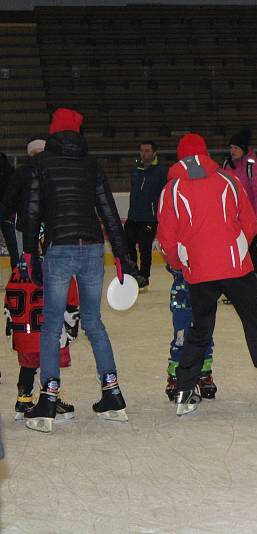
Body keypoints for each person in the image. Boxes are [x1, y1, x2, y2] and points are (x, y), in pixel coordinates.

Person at [157, 133, 257, 416]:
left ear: (180, 158)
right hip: (236, 268)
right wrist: (238, 249)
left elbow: (167, 239)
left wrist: (182, 263)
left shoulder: (171, 189)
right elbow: (250, 224)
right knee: (256, 324)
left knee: (200, 330)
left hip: (200, 271)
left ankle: (183, 389)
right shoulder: (228, 181)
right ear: (206, 154)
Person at [22, 108, 138, 433]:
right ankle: (112, 394)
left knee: (51, 325)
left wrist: (29, 253)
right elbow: (109, 212)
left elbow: (31, 212)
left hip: (59, 248)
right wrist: (121, 254)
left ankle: (47, 400)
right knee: (93, 322)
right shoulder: (91, 165)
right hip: (91, 248)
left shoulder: (40, 165)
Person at [7, 266, 80, 421]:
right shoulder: (60, 268)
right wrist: (71, 330)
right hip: (49, 332)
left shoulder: (17, 271)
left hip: (24, 332)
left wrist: (13, 332)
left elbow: (8, 303)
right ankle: (51, 399)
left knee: (28, 364)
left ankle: (23, 400)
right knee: (50, 364)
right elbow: (71, 303)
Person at [223, 128, 257, 299]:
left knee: (250, 252)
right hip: (231, 218)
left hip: (248, 218)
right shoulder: (227, 165)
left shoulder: (252, 166)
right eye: (230, 147)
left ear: (243, 148)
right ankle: (234, 290)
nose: (232, 151)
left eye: (235, 148)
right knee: (232, 253)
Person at [164, 265, 216, 401]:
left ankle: (204, 373)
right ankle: (175, 375)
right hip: (182, 300)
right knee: (180, 339)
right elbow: (171, 257)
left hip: (203, 294)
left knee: (205, 336)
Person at [0, 135, 47, 268]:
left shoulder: (21, 172)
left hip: (24, 224)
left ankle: (25, 281)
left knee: (23, 259)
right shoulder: (55, 171)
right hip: (49, 223)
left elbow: (9, 199)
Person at [125, 140, 167, 289]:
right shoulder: (136, 169)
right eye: (142, 150)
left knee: (145, 247)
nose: (144, 153)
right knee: (127, 245)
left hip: (150, 217)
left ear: (154, 153)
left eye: (147, 150)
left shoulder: (161, 171)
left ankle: (144, 276)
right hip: (133, 216)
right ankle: (132, 273)